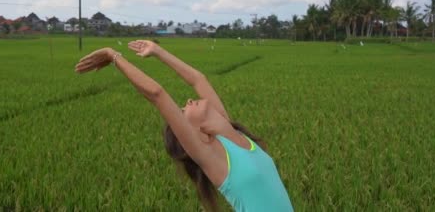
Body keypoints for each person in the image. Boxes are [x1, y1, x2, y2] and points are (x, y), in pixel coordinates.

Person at [75, 40, 294, 211]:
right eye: (183, 111)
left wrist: (158, 52)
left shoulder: (232, 133)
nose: (188, 101)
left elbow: (198, 80)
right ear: (196, 134)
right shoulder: (212, 156)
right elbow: (157, 95)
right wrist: (113, 56)